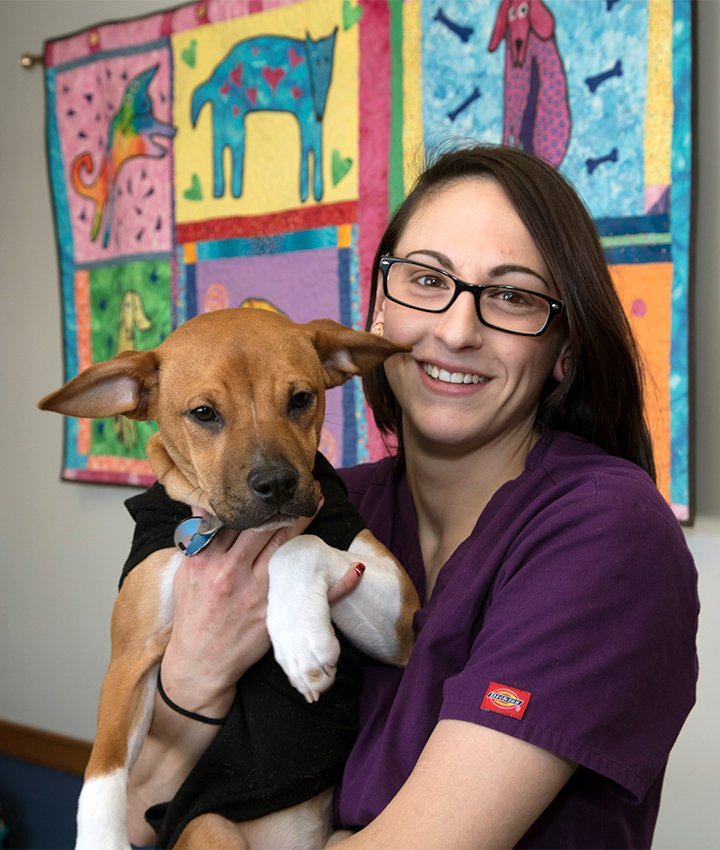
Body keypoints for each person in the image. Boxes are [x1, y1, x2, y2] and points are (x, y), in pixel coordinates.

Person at [127, 143, 698, 849]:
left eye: (513, 295)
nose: (457, 330)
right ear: (377, 311)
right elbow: (140, 819)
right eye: (426, 280)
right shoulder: (325, 504)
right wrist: (194, 677)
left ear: (565, 351)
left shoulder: (607, 531)